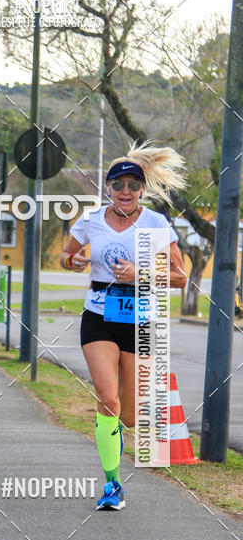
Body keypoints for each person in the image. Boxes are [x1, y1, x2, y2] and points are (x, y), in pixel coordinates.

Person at [59, 143, 187, 510]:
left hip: (139, 321)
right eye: (119, 185)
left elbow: (180, 278)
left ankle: (118, 446)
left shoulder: (156, 224)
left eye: (133, 185)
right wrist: (75, 262)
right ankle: (112, 484)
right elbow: (68, 257)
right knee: (108, 399)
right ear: (108, 189)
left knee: (129, 414)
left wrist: (140, 274)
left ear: (142, 190)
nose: (126, 191)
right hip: (98, 317)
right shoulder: (91, 220)